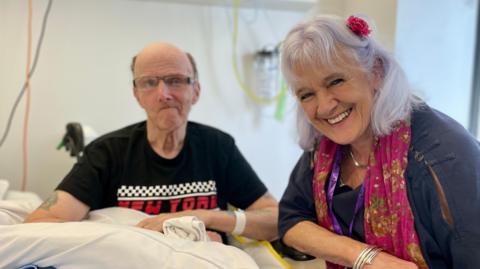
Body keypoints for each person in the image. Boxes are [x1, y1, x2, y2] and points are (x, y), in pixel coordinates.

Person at [278, 14, 480, 269]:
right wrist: (363, 257)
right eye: (307, 95)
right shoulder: (326, 148)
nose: (324, 106)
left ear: (375, 71)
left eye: (336, 81)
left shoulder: (446, 158)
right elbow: (291, 219)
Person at [25, 42, 278, 243]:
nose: (163, 94)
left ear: (196, 91)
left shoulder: (218, 147)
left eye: (175, 80)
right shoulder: (106, 153)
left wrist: (203, 217)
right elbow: (40, 225)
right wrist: (147, 236)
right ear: (137, 94)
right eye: (149, 83)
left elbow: (275, 219)